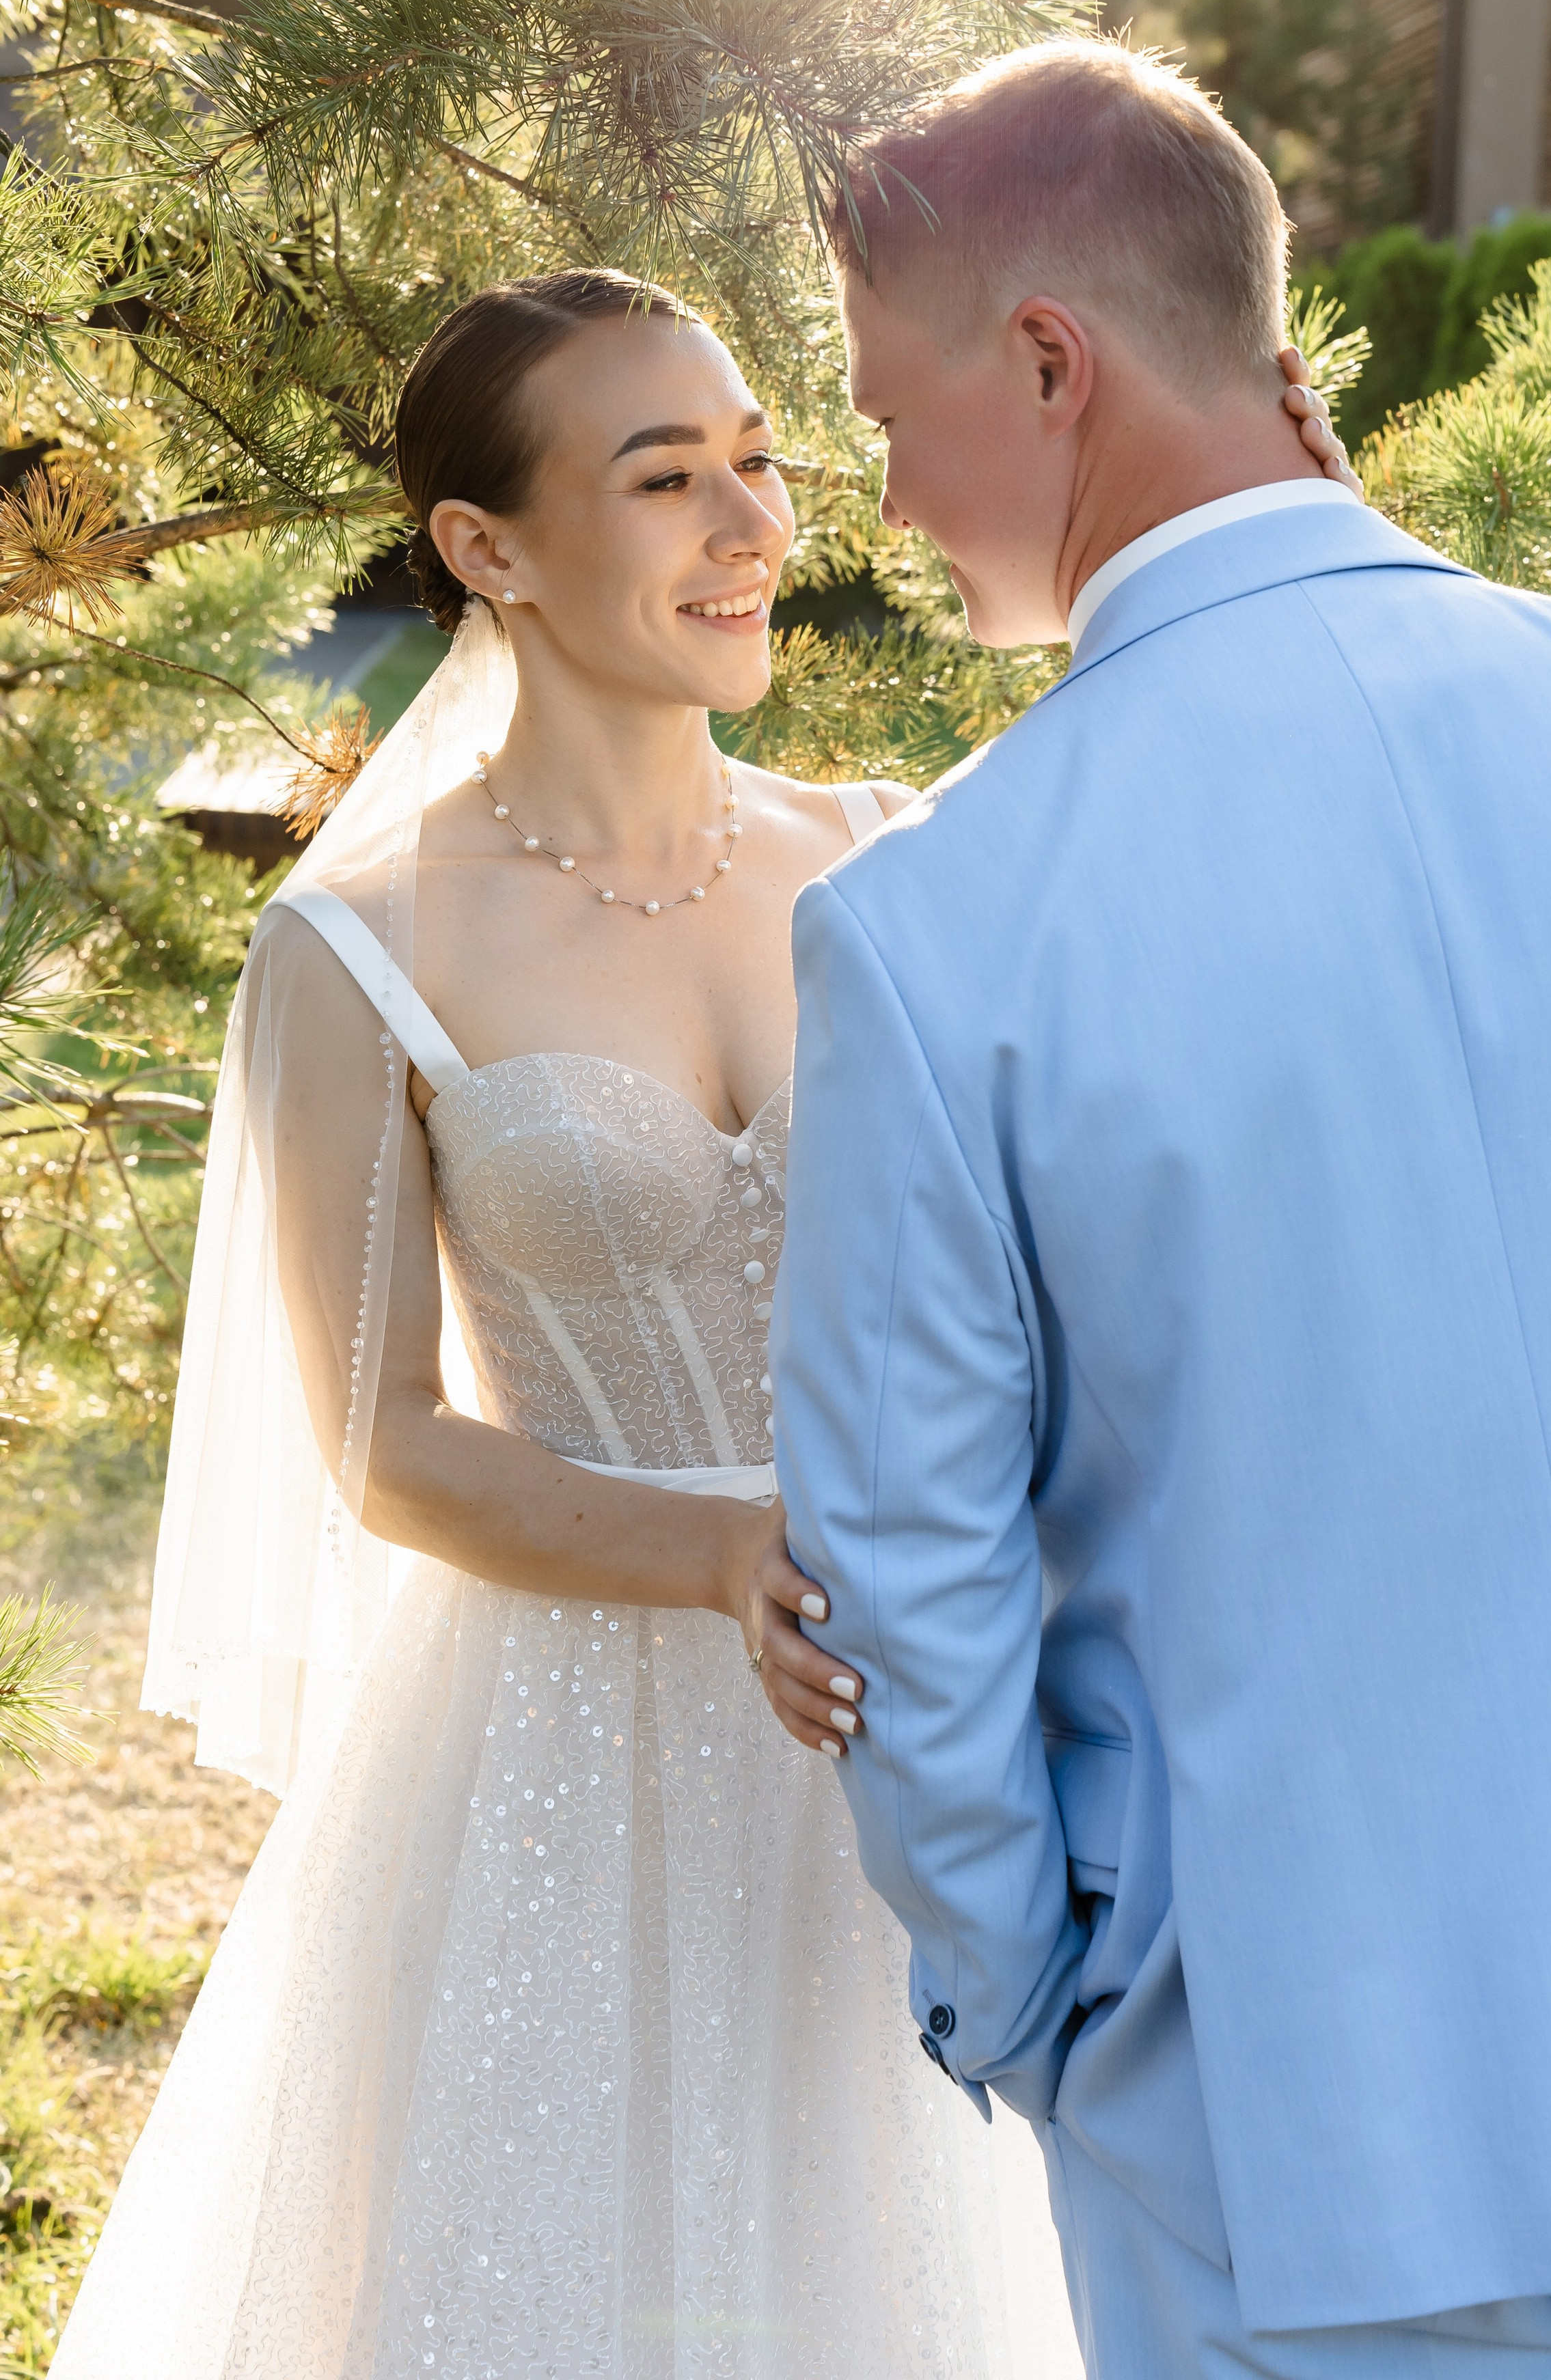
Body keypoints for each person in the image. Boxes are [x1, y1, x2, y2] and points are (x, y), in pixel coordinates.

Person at [56, 262, 1340, 2379]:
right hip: (569, 1731)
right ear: (489, 549)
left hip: (928, 1695)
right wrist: (724, 1553)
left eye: (758, 462)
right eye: (668, 481)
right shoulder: (360, 945)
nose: (755, 529)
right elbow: (384, 1439)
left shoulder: (893, 859)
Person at [771, 38, 1551, 2380]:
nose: (880, 496)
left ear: (1046, 364)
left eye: (888, 414)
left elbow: (907, 1566)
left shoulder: (937, 929)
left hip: (1287, 2095)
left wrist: (1033, 2017)